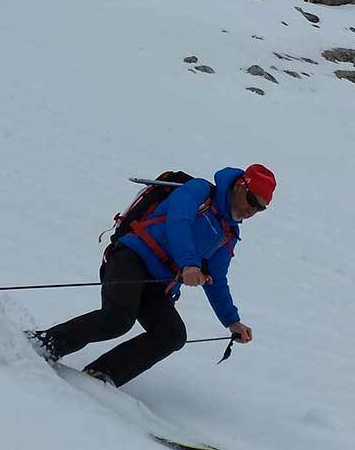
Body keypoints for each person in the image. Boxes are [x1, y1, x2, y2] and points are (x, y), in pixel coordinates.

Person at [31, 164, 276, 388]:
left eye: (260, 207)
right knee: (117, 319)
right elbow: (177, 222)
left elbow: (217, 279)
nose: (251, 210)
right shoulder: (199, 191)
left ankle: (102, 375)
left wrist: (232, 321)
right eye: (251, 200)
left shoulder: (228, 234)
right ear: (239, 186)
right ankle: (45, 344)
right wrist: (190, 265)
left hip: (158, 285)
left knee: (172, 335)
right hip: (132, 258)